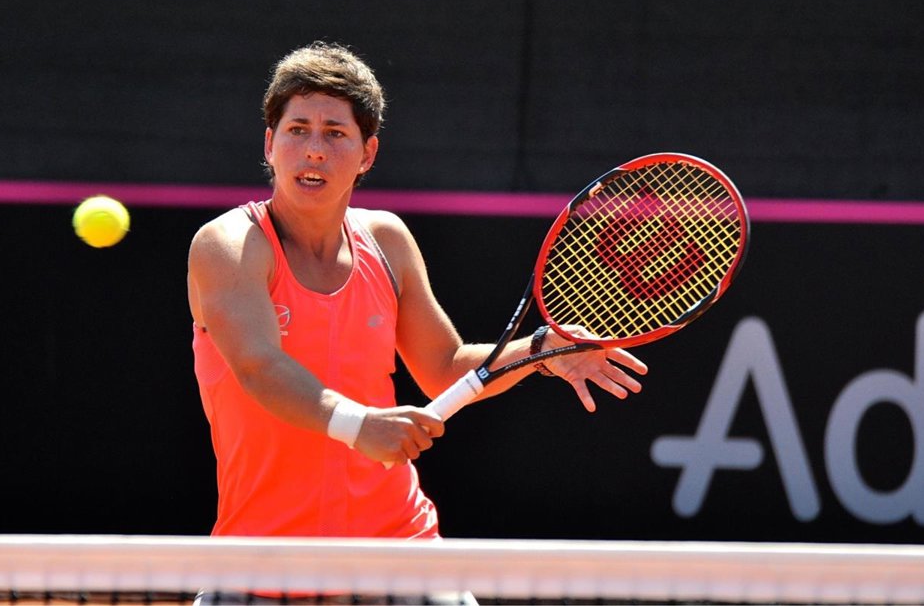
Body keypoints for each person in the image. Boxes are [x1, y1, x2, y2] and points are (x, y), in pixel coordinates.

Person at [187, 41, 648, 545]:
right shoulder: (228, 245)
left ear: (367, 154)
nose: (314, 149)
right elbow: (259, 367)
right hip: (263, 551)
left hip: (400, 540)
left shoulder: (387, 240)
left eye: (335, 133)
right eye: (298, 130)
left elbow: (445, 366)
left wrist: (539, 350)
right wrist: (359, 425)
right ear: (270, 145)